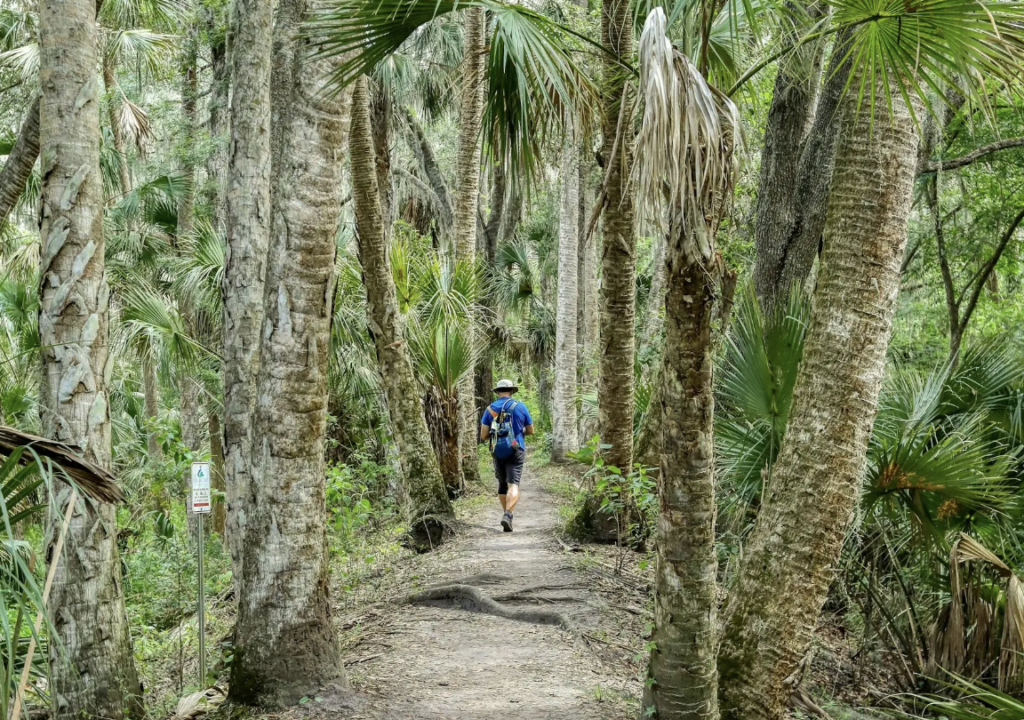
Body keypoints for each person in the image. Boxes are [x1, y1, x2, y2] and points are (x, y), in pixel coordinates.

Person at [480, 379, 534, 532]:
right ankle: (509, 514)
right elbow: (531, 430)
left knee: (502, 484)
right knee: (514, 484)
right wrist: (519, 431)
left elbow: (483, 435)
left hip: (497, 450)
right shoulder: (520, 406)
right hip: (516, 448)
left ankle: (506, 514)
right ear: (511, 391)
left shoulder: (490, 409)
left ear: (497, 392)